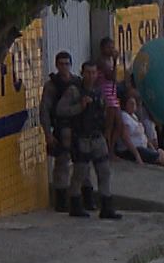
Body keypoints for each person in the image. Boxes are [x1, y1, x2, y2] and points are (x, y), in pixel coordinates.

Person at [59, 61, 121, 219]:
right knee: (80, 173)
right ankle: (75, 204)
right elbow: (60, 110)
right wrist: (79, 107)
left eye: (94, 72)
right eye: (88, 72)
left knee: (104, 171)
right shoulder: (74, 91)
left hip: (97, 137)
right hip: (82, 138)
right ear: (82, 73)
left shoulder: (98, 92)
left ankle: (107, 207)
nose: (91, 76)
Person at [39, 52, 83, 212]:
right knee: (62, 165)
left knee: (81, 163)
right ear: (57, 65)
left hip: (77, 129)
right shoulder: (51, 85)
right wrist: (48, 133)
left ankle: (79, 198)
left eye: (67, 64)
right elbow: (45, 110)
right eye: (61, 64)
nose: (64, 67)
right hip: (60, 128)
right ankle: (61, 200)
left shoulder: (77, 82)